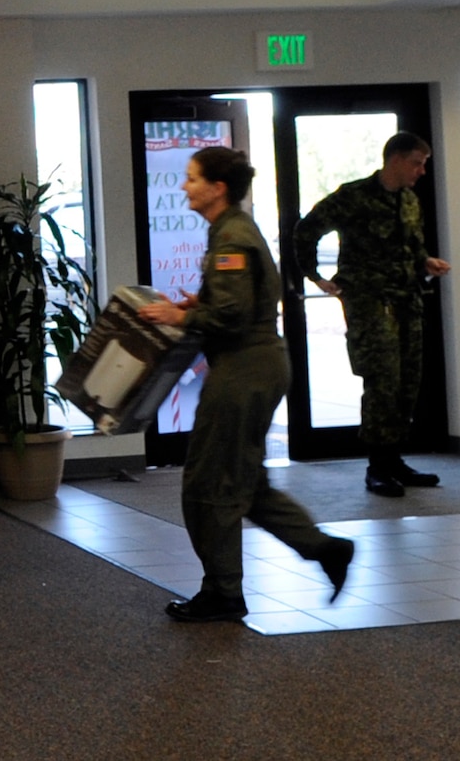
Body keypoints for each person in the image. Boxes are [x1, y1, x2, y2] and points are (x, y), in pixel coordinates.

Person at [137, 147, 354, 623]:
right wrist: (203, 302)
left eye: (192, 179)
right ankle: (324, 548)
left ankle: (223, 592)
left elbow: (232, 317)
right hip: (255, 365)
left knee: (207, 483)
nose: (184, 187)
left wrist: (183, 313)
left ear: (217, 189)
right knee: (249, 485)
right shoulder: (232, 230)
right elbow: (243, 300)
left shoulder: (232, 236)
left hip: (244, 369)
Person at [293, 131, 452, 497]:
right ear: (395, 159)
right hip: (369, 305)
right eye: (417, 163)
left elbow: (411, 249)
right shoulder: (354, 197)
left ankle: (394, 460)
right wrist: (315, 276)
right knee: (382, 383)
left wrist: (425, 262)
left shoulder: (410, 201)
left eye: (423, 164)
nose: (421, 171)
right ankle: (377, 467)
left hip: (407, 302)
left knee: (407, 384)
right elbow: (307, 230)